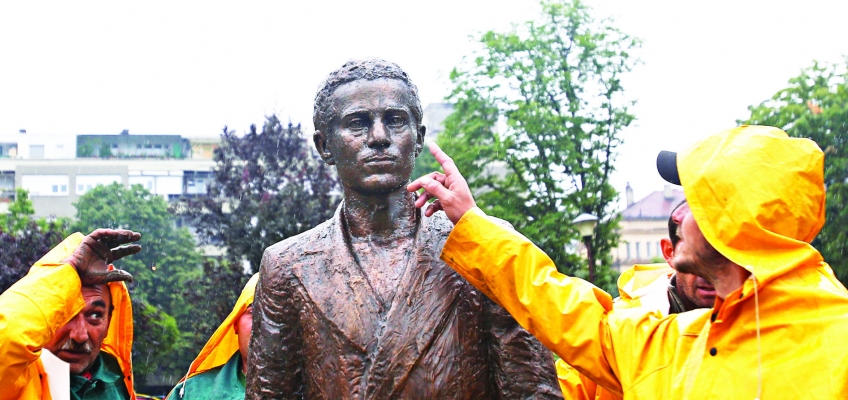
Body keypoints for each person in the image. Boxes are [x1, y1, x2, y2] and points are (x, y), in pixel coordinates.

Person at [409, 125, 848, 398]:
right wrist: (472, 221)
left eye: (694, 201)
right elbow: (564, 308)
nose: (679, 215)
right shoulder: (677, 341)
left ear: (730, 220)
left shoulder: (837, 344)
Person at [247, 58, 562, 399]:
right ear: (325, 146)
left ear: (418, 138)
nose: (379, 137)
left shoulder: (483, 246)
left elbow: (533, 391)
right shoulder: (287, 267)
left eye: (395, 120)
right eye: (358, 123)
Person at [0, 229, 142, 400]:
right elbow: (5, 339)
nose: (80, 335)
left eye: (95, 315)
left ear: (109, 321)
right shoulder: (12, 379)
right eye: (64, 314)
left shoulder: (116, 376)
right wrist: (69, 271)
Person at [556, 201, 716, 400]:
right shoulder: (620, 324)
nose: (710, 270)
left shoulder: (753, 320)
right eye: (697, 255)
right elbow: (563, 390)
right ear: (669, 252)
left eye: (723, 256)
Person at [166, 273, 259, 400]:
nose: (264, 324)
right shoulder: (191, 394)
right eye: (253, 312)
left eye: (279, 316)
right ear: (235, 323)